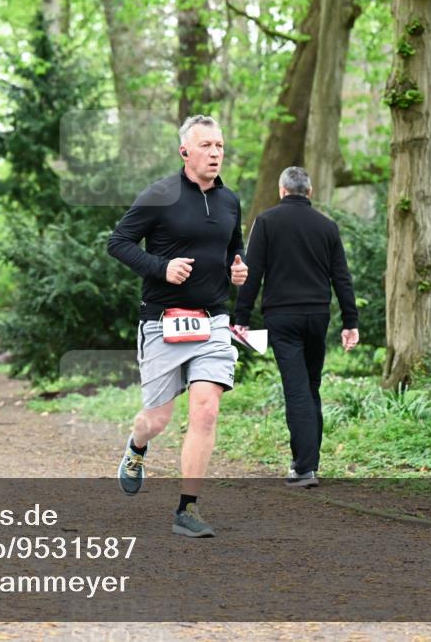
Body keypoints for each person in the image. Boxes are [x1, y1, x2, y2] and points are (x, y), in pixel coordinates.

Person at [107, 114, 247, 538]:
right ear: (185, 151)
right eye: (206, 146)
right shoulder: (160, 194)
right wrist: (161, 267)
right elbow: (118, 243)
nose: (215, 153)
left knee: (206, 409)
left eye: (220, 146)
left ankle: (188, 508)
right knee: (157, 419)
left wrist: (237, 269)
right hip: (163, 323)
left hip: (212, 322)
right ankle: (137, 447)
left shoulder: (230, 201)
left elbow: (233, 247)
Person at [233, 167, 360, 488]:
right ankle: (308, 462)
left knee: (296, 388)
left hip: (283, 318)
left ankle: (304, 468)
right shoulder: (327, 227)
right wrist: (350, 322)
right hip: (318, 316)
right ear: (310, 192)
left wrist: (241, 317)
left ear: (281, 190)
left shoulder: (266, 222)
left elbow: (253, 271)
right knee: (311, 385)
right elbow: (341, 277)